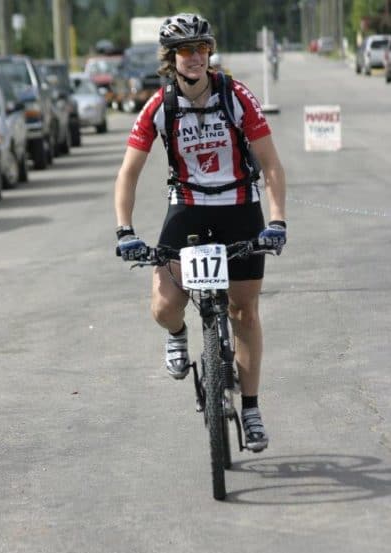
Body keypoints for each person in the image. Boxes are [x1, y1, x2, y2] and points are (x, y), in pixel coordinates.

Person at [114, 13, 286, 452]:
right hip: (187, 208)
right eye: (185, 50)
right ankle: (178, 336)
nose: (194, 57)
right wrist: (125, 230)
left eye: (201, 48)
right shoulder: (160, 106)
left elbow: (270, 165)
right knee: (164, 304)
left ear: (209, 52)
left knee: (244, 313)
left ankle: (250, 408)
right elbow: (128, 174)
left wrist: (277, 221)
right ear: (171, 59)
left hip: (238, 206)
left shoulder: (237, 96)